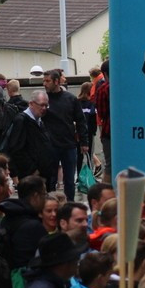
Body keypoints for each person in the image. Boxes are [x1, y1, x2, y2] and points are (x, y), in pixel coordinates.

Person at [41, 69, 87, 200]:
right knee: (50, 179)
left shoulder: (70, 99)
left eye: (47, 81)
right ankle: (50, 204)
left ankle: (70, 205)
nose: (44, 84)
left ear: (56, 81)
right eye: (44, 81)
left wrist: (84, 142)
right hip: (50, 145)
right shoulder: (43, 99)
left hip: (68, 144)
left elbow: (80, 120)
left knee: (69, 180)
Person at [0, 91, 54, 185]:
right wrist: (33, 170)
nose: (44, 108)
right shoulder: (22, 120)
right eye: (41, 105)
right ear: (31, 104)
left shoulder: (39, 121)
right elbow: (16, 149)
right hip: (31, 176)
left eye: (46, 105)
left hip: (43, 175)